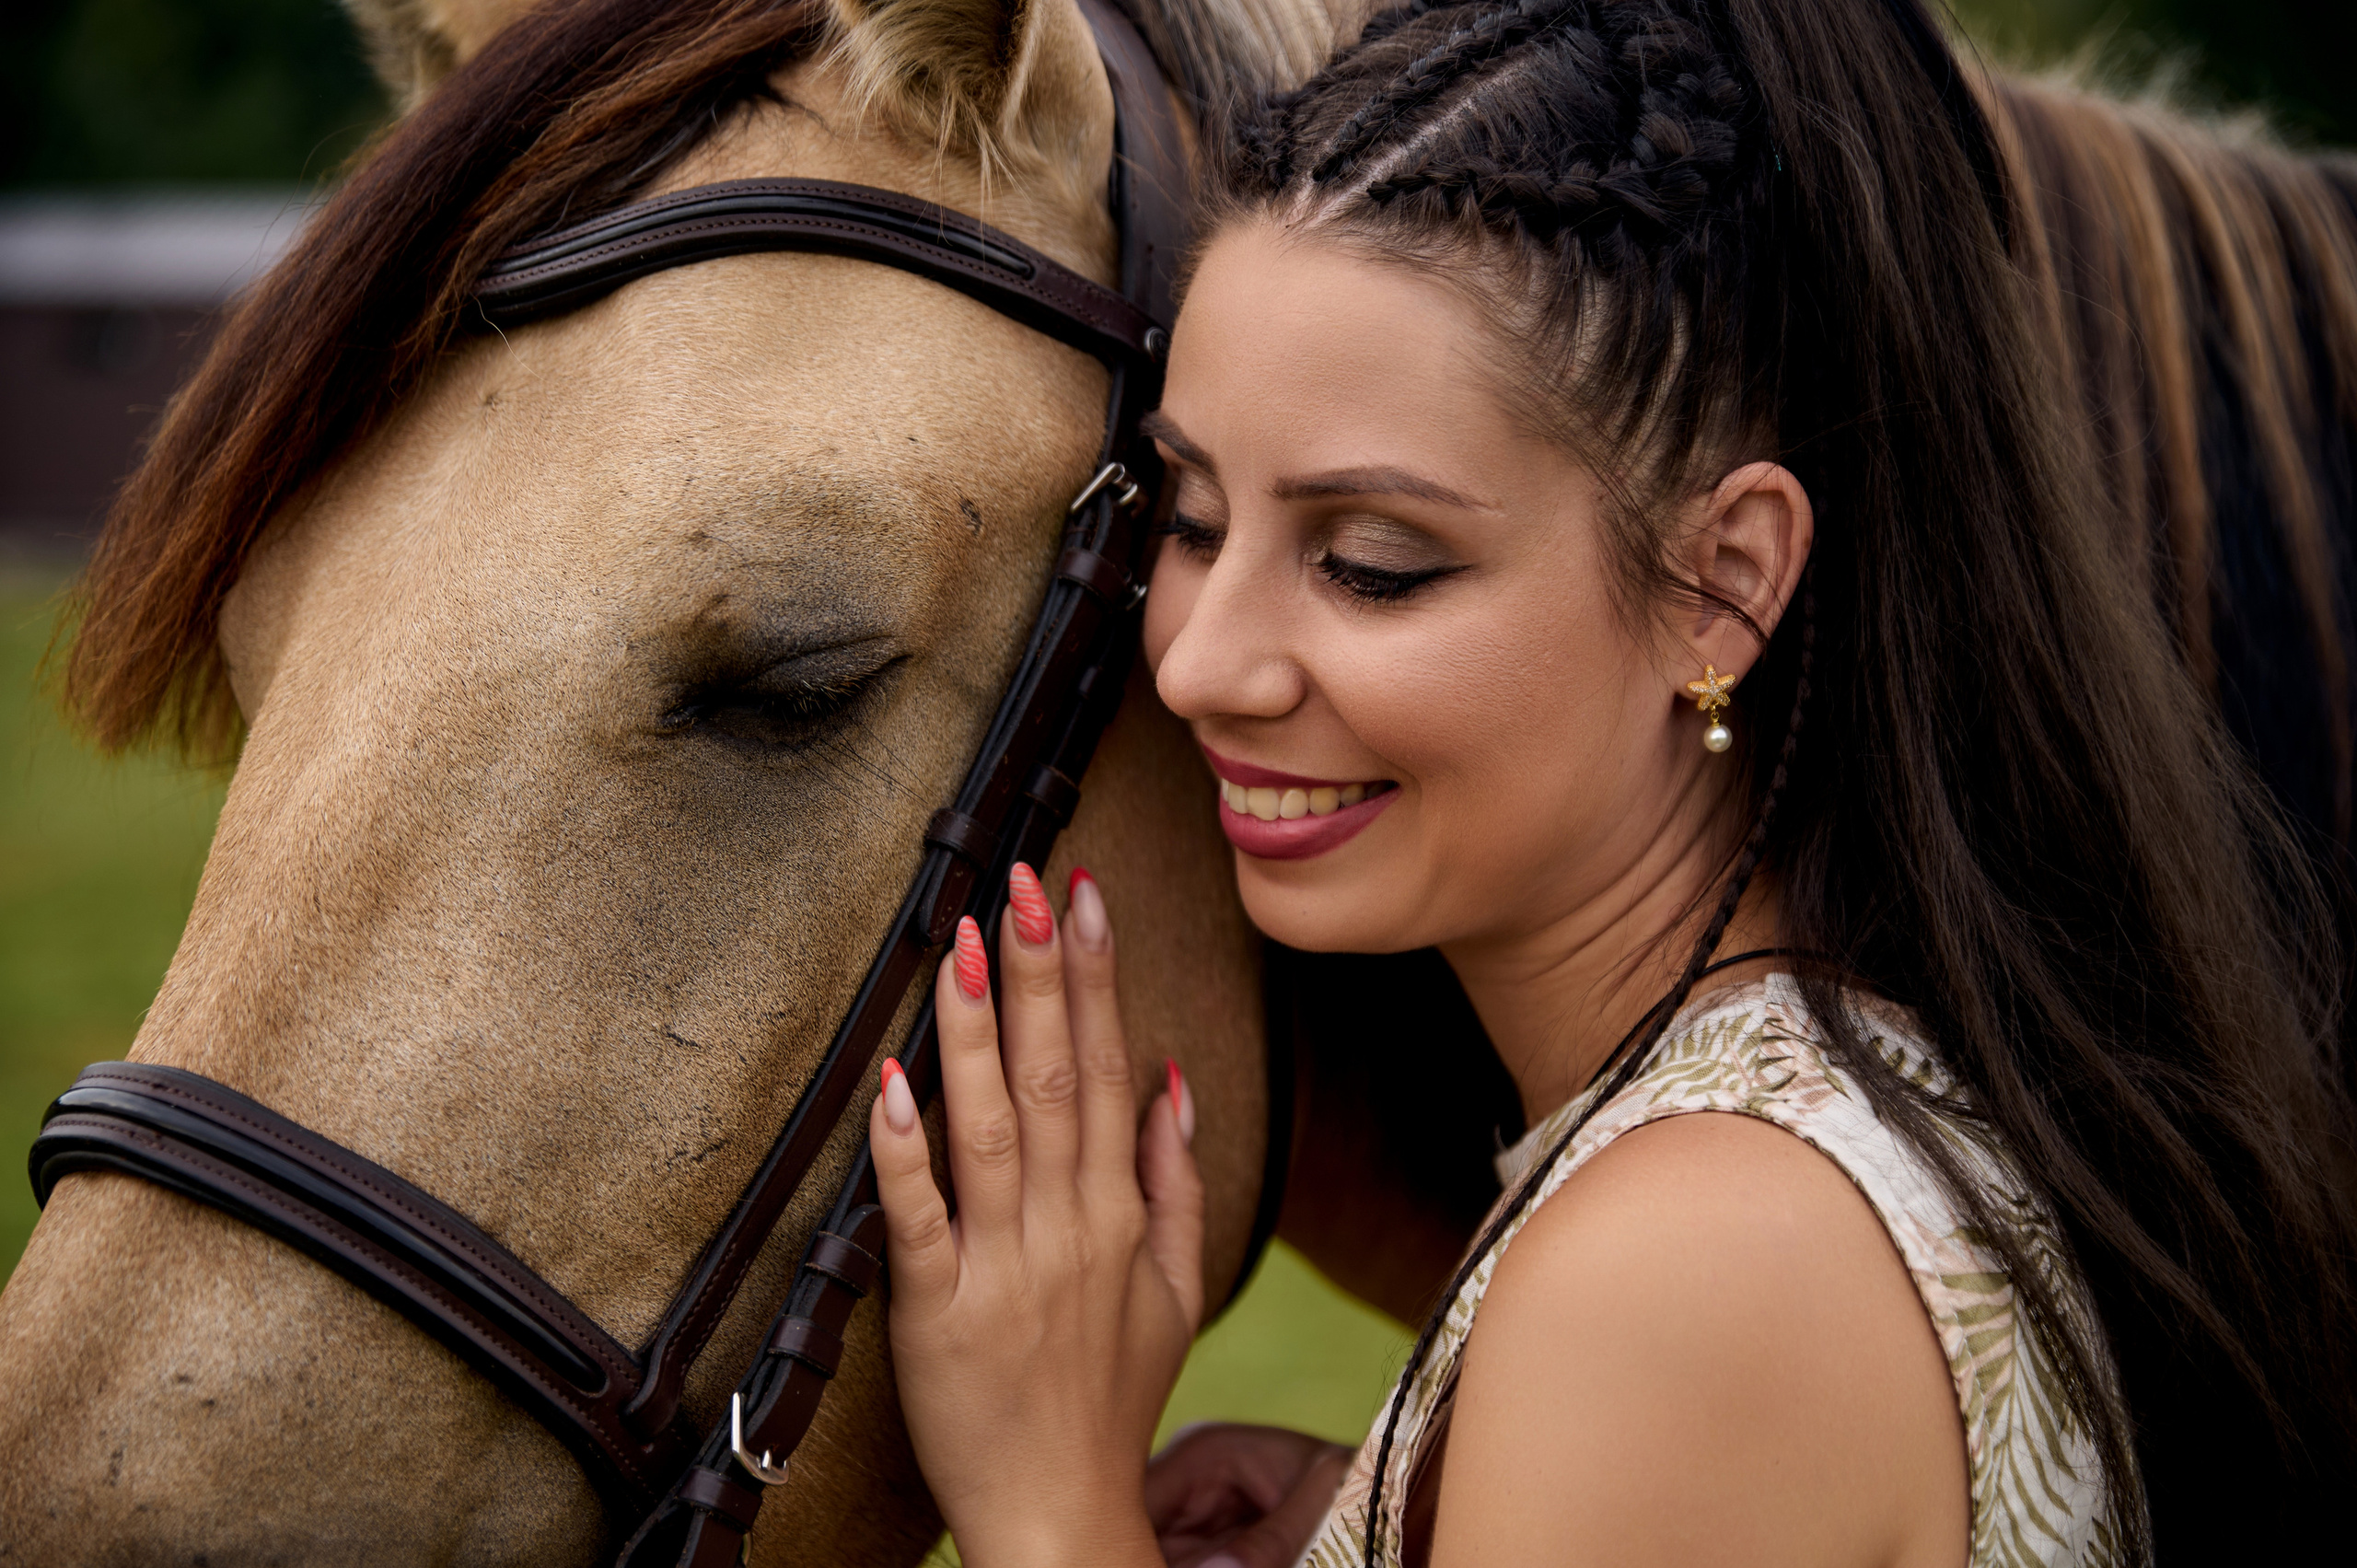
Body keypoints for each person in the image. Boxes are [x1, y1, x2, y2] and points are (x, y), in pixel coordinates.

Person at [864, 1, 2357, 1563]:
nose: (1197, 663)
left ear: (1720, 587)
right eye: (1188, 515)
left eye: (1371, 563)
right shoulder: (1788, 1157)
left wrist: (1050, 1505)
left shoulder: (1693, 1274)